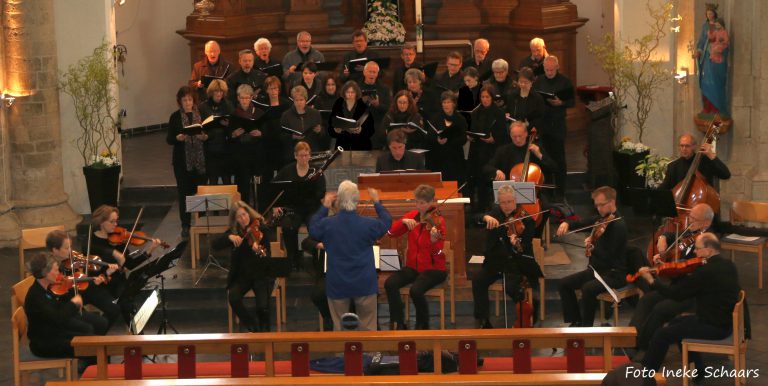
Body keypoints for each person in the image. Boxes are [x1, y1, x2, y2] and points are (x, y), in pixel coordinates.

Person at [639, 233, 741, 375]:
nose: (694, 251)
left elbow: (677, 294)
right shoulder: (729, 265)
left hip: (714, 326)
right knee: (677, 321)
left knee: (662, 334)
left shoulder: (706, 271)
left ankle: (644, 376)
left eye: (698, 248)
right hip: (725, 321)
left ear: (709, 250)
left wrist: (652, 281)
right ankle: (698, 369)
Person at [630, 203, 715, 353]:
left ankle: (642, 345)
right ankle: (630, 340)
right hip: (679, 288)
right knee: (646, 299)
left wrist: (667, 268)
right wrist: (663, 237)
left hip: (693, 296)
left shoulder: (708, 244)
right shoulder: (692, 232)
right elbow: (675, 236)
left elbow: (692, 271)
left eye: (694, 219)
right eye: (690, 217)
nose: (689, 222)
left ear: (706, 223)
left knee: (660, 309)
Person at [309, 180, 391, 331]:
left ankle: (342, 354)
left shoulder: (328, 224)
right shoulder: (368, 224)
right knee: (368, 327)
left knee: (341, 329)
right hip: (364, 282)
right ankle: (370, 354)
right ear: (357, 200)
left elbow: (313, 229)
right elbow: (386, 222)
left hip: (338, 282)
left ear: (338, 200)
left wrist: (325, 206)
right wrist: (377, 202)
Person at [556, 186, 627, 327]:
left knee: (588, 288)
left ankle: (586, 328)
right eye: (597, 205)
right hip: (596, 272)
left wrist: (593, 246)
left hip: (613, 274)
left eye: (602, 204)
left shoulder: (618, 225)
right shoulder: (602, 220)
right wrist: (567, 223)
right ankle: (576, 321)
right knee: (563, 284)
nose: (599, 208)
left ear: (612, 202)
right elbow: (581, 223)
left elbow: (610, 256)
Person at [24, 252, 107, 363]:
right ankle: (94, 374)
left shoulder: (44, 287)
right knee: (97, 347)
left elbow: (58, 308)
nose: (59, 273)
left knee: (90, 335)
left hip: (54, 332)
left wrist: (75, 298)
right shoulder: (36, 296)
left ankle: (91, 369)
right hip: (45, 343)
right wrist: (73, 304)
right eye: (56, 270)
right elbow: (58, 317)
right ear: (46, 273)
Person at [472, 185, 536, 328]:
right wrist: (485, 217)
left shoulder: (526, 219)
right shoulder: (495, 213)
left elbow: (526, 245)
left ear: (515, 200)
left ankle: (524, 315)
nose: (506, 206)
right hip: (495, 263)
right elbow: (474, 218)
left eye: (509, 202)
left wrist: (516, 244)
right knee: (478, 281)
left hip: (515, 263)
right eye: (503, 202)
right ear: (498, 202)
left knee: (512, 287)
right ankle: (483, 321)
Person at [385, 184, 447, 330]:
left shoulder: (438, 221)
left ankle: (422, 325)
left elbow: (438, 252)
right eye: (417, 202)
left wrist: (433, 241)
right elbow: (391, 233)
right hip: (413, 267)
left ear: (432, 201)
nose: (419, 206)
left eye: (423, 203)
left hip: (434, 269)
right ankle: (399, 322)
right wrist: (402, 222)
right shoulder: (412, 216)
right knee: (390, 283)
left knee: (416, 290)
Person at [88, 205, 162, 324]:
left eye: (116, 221)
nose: (116, 225)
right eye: (112, 221)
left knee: (127, 302)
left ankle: (135, 335)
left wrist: (149, 251)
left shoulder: (120, 240)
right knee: (119, 305)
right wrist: (113, 253)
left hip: (118, 280)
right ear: (101, 222)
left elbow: (129, 264)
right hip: (100, 283)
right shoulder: (90, 242)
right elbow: (92, 267)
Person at [213, 201, 273, 332]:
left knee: (263, 306)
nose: (243, 219)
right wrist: (229, 237)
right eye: (239, 217)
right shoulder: (235, 233)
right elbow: (215, 244)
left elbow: (268, 256)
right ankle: (253, 326)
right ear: (235, 220)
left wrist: (259, 250)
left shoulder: (261, 229)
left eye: (244, 214)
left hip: (261, 275)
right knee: (233, 298)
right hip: (242, 276)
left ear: (248, 213)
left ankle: (266, 334)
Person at [45, 230, 121, 329]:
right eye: (67, 248)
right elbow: (61, 293)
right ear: (55, 250)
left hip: (83, 290)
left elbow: (82, 281)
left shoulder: (72, 259)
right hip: (69, 298)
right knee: (92, 324)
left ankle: (98, 337)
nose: (70, 251)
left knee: (115, 308)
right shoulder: (50, 268)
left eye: (70, 247)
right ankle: (93, 337)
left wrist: (105, 274)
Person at [272, 141, 326, 271]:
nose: (304, 158)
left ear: (309, 156)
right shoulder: (287, 170)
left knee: (314, 226)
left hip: (312, 208)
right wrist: (276, 205)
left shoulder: (316, 171)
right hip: (294, 208)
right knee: (289, 227)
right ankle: (293, 258)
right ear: (295, 156)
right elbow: (274, 187)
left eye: (306, 155)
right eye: (301, 155)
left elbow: (321, 192)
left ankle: (316, 259)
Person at [166, 86, 209, 237]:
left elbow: (210, 133)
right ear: (180, 101)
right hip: (182, 162)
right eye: (184, 100)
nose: (188, 102)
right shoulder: (175, 117)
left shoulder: (202, 113)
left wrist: (204, 137)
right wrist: (177, 138)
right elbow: (169, 139)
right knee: (184, 193)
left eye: (190, 99)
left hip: (200, 160)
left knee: (201, 191)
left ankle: (202, 222)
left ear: (194, 100)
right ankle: (185, 224)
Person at [533, 56, 575, 201]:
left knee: (559, 159)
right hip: (543, 125)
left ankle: (560, 192)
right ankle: (548, 190)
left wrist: (561, 102)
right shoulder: (538, 81)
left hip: (557, 125)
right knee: (544, 158)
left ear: (557, 67)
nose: (549, 72)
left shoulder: (565, 81)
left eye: (552, 69)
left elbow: (572, 102)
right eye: (547, 69)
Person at [467, 86, 508, 213]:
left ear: (492, 98)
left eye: (487, 97)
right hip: (478, 149)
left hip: (493, 150)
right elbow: (471, 128)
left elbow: (503, 134)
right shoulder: (476, 112)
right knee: (478, 177)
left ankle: (495, 207)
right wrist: (470, 136)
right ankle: (480, 208)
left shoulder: (499, 113)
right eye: (482, 97)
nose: (484, 100)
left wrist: (493, 139)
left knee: (491, 177)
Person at [483, 121, 555, 183]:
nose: (517, 139)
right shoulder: (503, 150)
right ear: (510, 135)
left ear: (526, 134)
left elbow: (553, 168)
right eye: (514, 136)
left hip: (535, 191)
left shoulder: (535, 148)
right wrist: (496, 171)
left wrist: (539, 155)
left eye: (520, 136)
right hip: (510, 192)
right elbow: (486, 168)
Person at [658, 133, 730, 191]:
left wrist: (711, 155)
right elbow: (664, 188)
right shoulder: (673, 166)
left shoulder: (705, 161)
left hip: (702, 205)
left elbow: (726, 175)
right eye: (682, 146)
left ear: (694, 146)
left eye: (687, 146)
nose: (684, 149)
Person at [230, 84, 264, 205]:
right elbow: (229, 137)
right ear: (238, 98)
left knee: (258, 186)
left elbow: (266, 132)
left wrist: (260, 133)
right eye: (242, 98)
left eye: (247, 97)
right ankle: (244, 211)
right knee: (243, 187)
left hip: (256, 154)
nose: (245, 100)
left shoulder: (259, 113)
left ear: (251, 98)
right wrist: (233, 134)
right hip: (241, 156)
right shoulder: (233, 114)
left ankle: (259, 210)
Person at [255, 76, 292, 188]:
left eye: (276, 88)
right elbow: (258, 122)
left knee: (283, 174)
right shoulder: (262, 104)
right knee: (267, 175)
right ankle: (267, 200)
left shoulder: (286, 104)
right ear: (266, 90)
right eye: (271, 88)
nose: (274, 91)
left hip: (281, 143)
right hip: (266, 144)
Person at [425, 91, 467, 185]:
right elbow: (430, 136)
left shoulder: (460, 119)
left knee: (455, 183)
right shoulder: (436, 118)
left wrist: (449, 141)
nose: (446, 105)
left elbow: (463, 138)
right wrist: (438, 140)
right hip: (439, 158)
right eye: (444, 102)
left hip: (455, 157)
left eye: (448, 102)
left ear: (454, 104)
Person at [695, 4, 729, 116]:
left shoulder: (719, 27)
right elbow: (702, 40)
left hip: (717, 59)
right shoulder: (705, 26)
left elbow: (725, 42)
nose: (709, 15)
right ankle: (707, 108)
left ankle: (717, 109)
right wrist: (699, 51)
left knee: (716, 81)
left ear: (714, 14)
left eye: (711, 13)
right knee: (706, 81)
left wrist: (719, 48)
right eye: (707, 13)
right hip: (707, 56)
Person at [198, 79, 235, 185]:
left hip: (225, 146)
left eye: (221, 91)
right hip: (210, 146)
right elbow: (201, 125)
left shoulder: (228, 105)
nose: (219, 94)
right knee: (212, 178)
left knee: (226, 178)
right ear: (211, 92)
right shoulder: (203, 106)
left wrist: (228, 125)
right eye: (216, 91)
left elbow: (233, 123)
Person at [328, 80, 374, 150]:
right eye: (348, 92)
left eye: (352, 92)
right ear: (344, 93)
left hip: (360, 144)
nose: (350, 94)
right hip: (342, 143)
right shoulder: (338, 103)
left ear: (356, 93)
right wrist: (335, 130)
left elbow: (371, 129)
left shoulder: (363, 106)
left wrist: (361, 130)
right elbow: (331, 124)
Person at [281, 85, 327, 152]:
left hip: (312, 150)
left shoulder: (315, 113)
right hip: (294, 151)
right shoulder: (286, 115)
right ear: (293, 100)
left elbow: (322, 136)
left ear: (306, 100)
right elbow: (282, 136)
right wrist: (293, 136)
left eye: (301, 100)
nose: (299, 103)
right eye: (296, 100)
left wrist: (319, 131)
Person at [360, 61, 392, 150]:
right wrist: (360, 102)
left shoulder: (384, 89)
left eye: (374, 72)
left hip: (377, 125)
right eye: (370, 71)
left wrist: (378, 105)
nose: (372, 74)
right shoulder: (357, 87)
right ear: (364, 72)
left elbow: (389, 108)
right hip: (361, 125)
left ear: (377, 74)